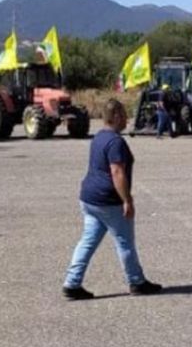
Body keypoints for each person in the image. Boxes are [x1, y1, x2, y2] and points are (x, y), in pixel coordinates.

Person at [63, 99, 163, 300]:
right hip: (108, 201)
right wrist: (127, 200)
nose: (127, 119)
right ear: (116, 116)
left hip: (89, 199)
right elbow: (117, 172)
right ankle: (136, 282)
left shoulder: (99, 137)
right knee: (124, 242)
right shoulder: (116, 142)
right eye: (124, 115)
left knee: (87, 241)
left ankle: (72, 283)